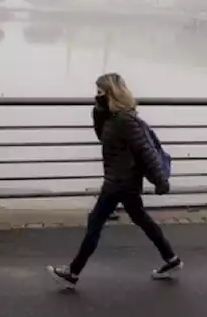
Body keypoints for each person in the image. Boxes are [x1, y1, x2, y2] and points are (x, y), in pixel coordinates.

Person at [48, 73, 180, 288]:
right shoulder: (110, 118)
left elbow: (145, 151)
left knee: (96, 222)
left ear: (111, 93)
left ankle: (73, 272)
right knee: (142, 220)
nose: (96, 95)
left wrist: (160, 181)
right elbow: (101, 135)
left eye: (100, 92)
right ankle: (172, 259)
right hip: (119, 180)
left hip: (120, 182)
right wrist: (98, 110)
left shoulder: (125, 120)